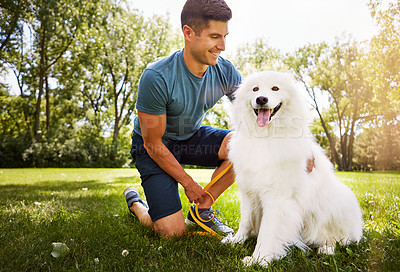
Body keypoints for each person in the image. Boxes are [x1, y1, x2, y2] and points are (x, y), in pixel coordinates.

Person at [124, 0, 241, 237]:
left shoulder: (225, 71)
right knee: (171, 232)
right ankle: (137, 205)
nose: (223, 46)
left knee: (243, 144)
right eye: (215, 36)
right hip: (153, 146)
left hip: (190, 136)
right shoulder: (157, 76)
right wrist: (189, 184)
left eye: (225, 36)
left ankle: (203, 209)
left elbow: (257, 113)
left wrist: (300, 149)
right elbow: (153, 144)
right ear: (188, 32)